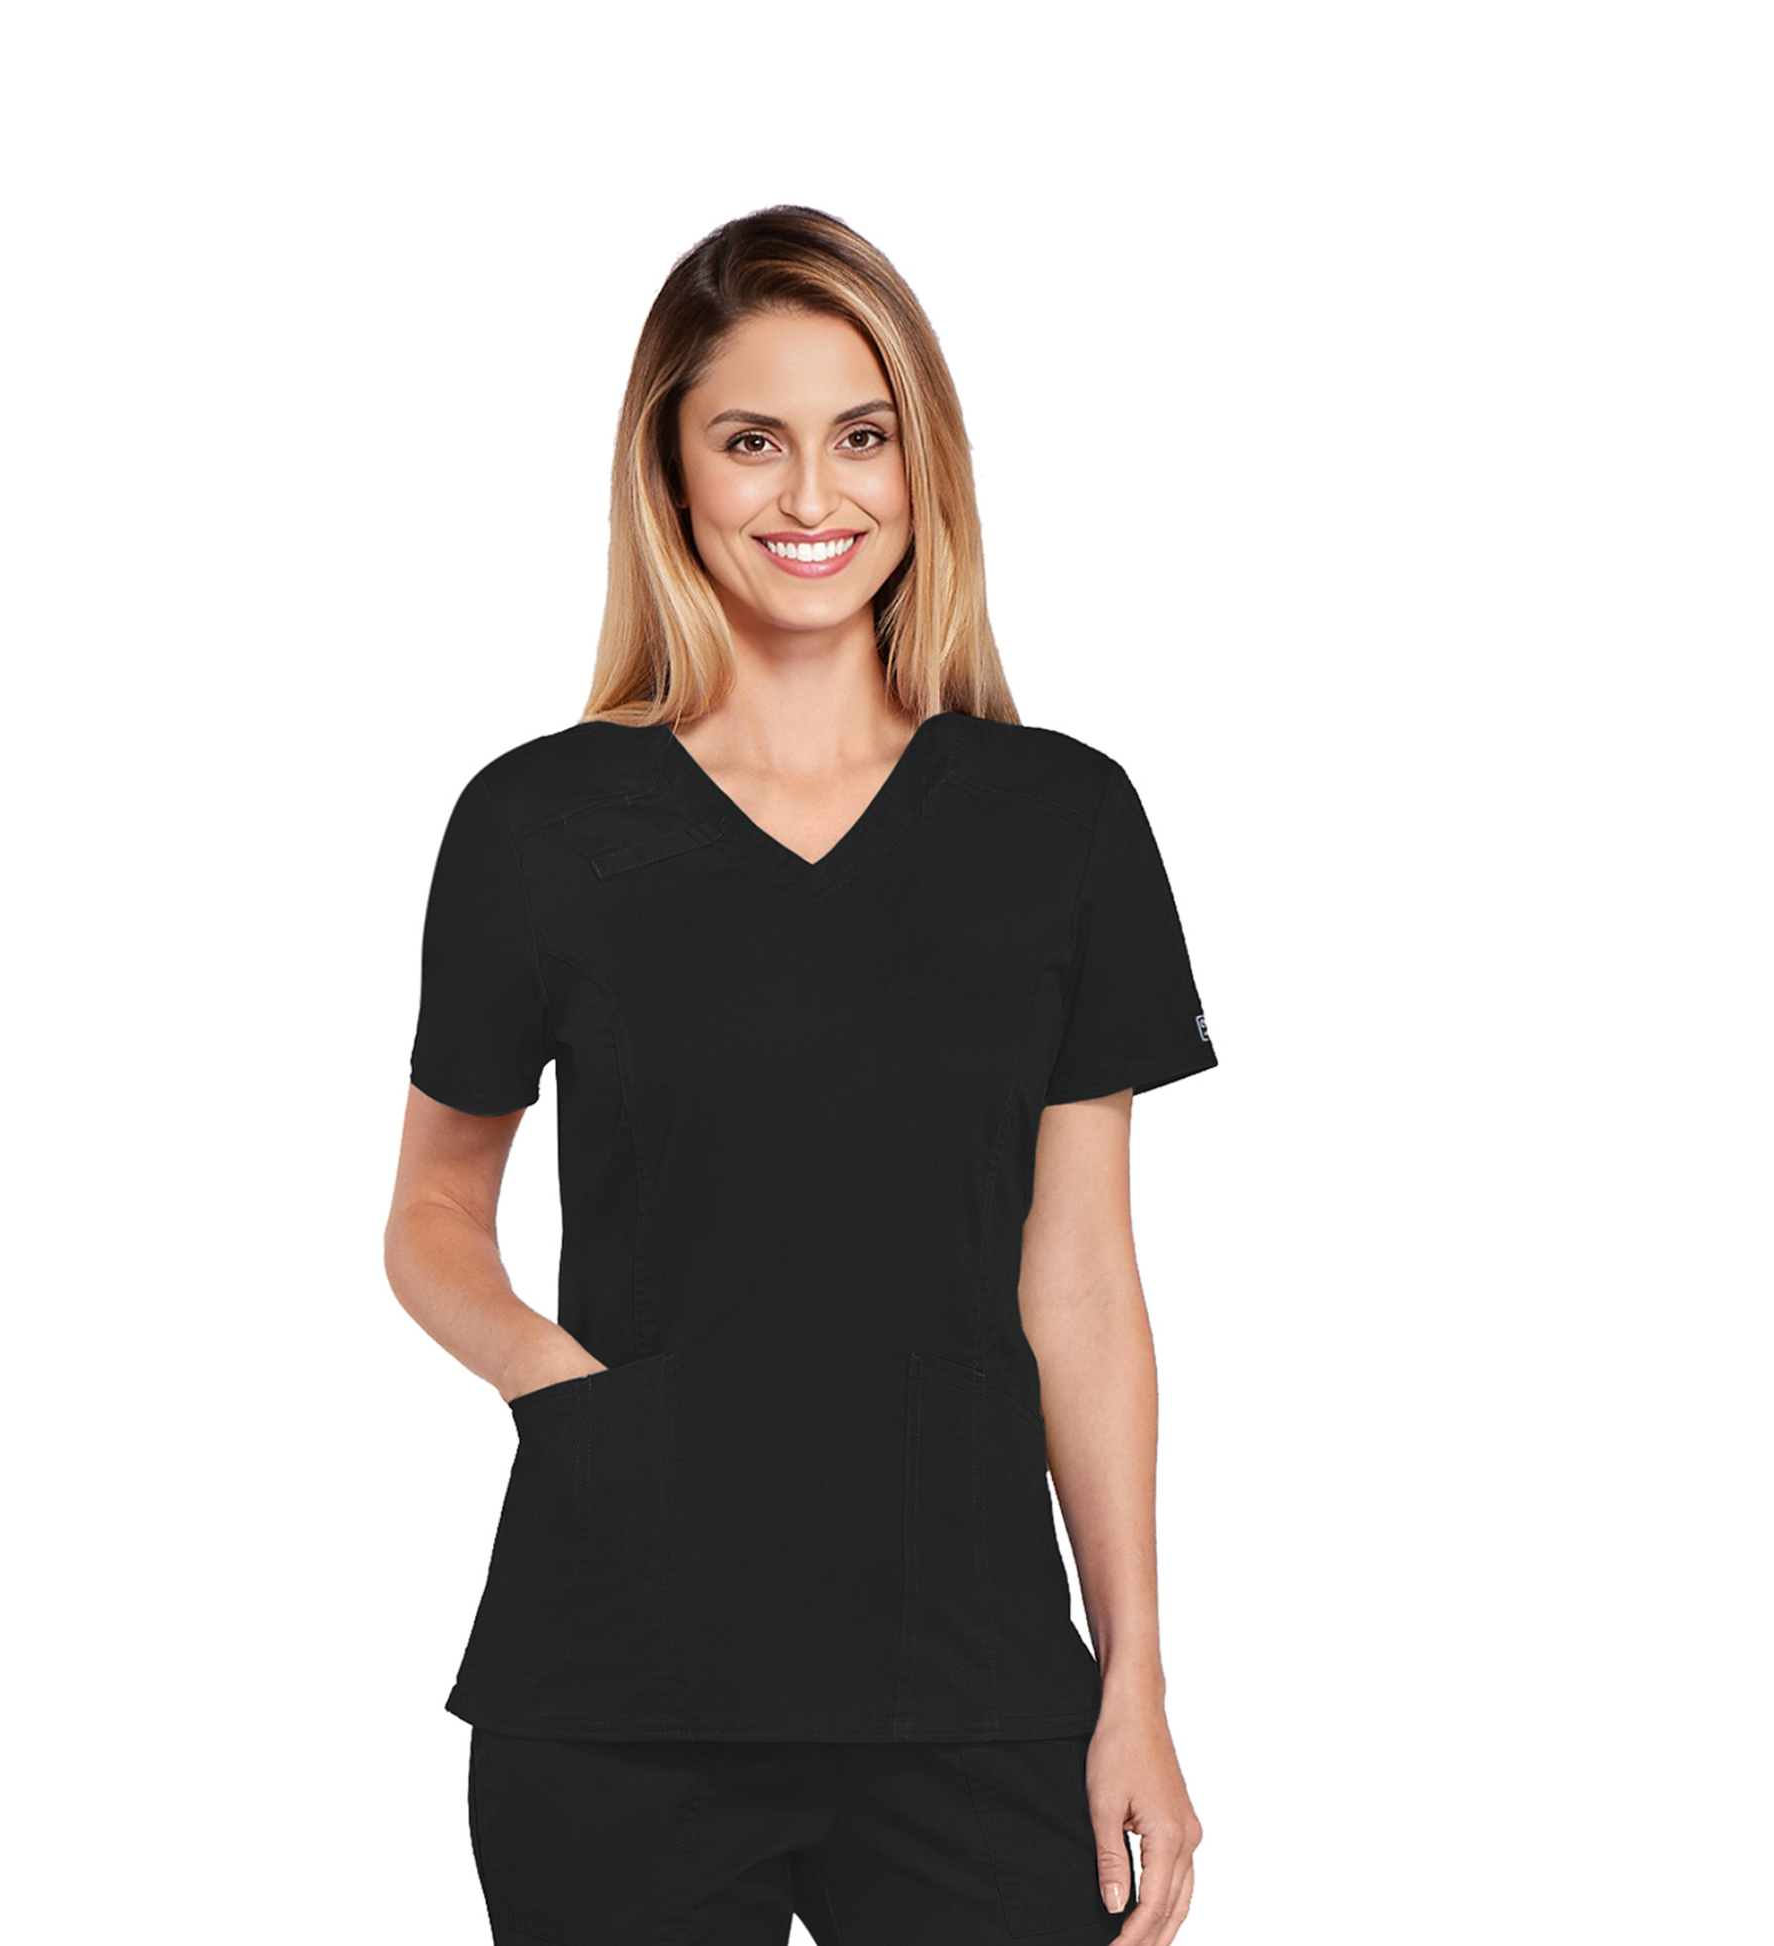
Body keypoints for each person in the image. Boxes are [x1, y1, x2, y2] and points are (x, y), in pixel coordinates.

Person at [384, 205, 1217, 1946]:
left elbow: (1079, 1276)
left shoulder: (1058, 822)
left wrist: (1131, 1677)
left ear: (923, 467)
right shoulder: (539, 823)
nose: (811, 494)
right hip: (615, 1684)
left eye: (861, 435)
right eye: (751, 440)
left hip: (972, 1677)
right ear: (671, 472)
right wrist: (562, 1391)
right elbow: (433, 1212)